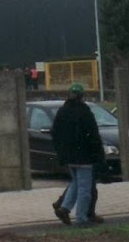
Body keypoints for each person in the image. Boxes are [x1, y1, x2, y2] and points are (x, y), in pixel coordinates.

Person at [50, 82, 105, 227]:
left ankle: (65, 208)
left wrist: (61, 152)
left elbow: (54, 133)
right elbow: (94, 136)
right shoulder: (85, 112)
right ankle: (81, 218)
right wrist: (99, 155)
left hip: (69, 156)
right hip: (85, 156)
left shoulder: (62, 111)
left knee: (75, 183)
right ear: (82, 96)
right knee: (85, 188)